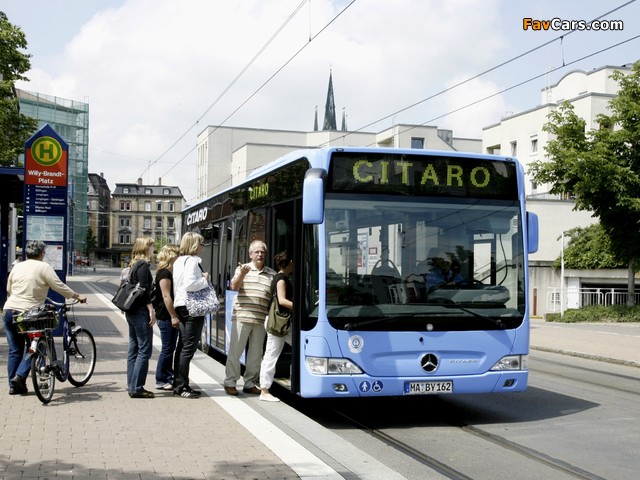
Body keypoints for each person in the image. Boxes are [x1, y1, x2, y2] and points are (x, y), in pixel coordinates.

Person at [2, 240, 87, 395]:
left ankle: (13, 386)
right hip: (30, 313)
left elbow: (9, 288)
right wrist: (77, 296)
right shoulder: (44, 267)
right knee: (36, 346)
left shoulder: (18, 266)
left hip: (10, 310)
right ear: (41, 253)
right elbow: (59, 286)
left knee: (14, 350)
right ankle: (20, 376)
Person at [224, 240, 275, 396]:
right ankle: (230, 382)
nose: (260, 255)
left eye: (262, 252)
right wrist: (242, 274)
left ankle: (250, 383)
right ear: (250, 254)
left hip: (260, 319)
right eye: (257, 252)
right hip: (242, 317)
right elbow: (234, 287)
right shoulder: (242, 269)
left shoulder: (271, 274)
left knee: (255, 355)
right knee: (235, 352)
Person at [172, 232, 209, 399]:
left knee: (182, 346)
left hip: (180, 305)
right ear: (194, 245)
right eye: (200, 243)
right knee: (189, 348)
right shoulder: (193, 261)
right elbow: (190, 284)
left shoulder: (179, 261)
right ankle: (182, 386)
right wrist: (204, 279)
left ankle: (178, 383)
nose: (202, 246)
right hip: (192, 308)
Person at [259, 251, 293, 403]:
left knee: (301, 348)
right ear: (290, 263)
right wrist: (299, 307)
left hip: (281, 323)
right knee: (271, 355)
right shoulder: (281, 279)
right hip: (280, 324)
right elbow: (282, 300)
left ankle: (295, 376)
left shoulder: (279, 277)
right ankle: (264, 390)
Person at [125, 236, 157, 399]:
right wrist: (151, 309)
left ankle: (131, 384)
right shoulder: (143, 265)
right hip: (140, 312)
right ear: (145, 247)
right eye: (151, 245)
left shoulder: (133, 264)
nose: (153, 248)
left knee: (134, 348)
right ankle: (137, 387)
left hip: (131, 311)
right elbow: (144, 290)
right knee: (144, 349)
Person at [153, 244, 181, 391]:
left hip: (166, 316)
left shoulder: (167, 272)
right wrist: (173, 316)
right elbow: (166, 296)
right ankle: (161, 378)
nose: (179, 258)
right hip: (165, 316)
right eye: (177, 255)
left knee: (170, 347)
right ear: (171, 256)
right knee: (167, 348)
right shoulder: (164, 274)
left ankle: (167, 375)